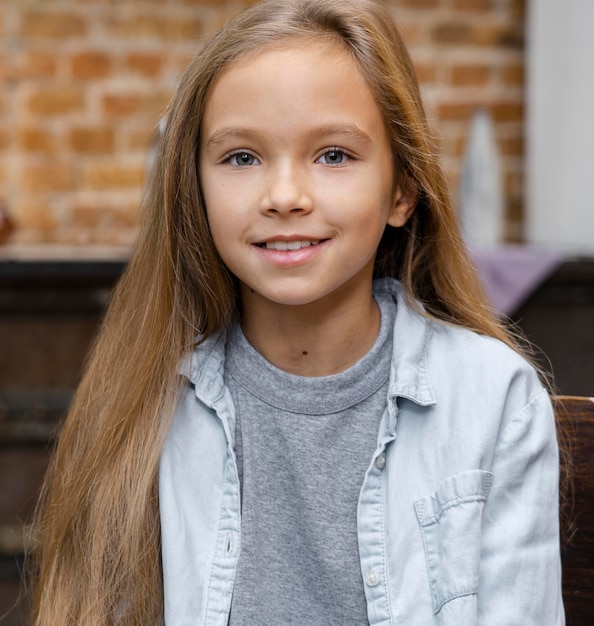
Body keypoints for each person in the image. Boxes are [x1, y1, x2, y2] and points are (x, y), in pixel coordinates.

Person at [28, 0, 564, 624]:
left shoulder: (494, 397)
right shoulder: (141, 403)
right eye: (241, 158)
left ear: (402, 190)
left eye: (333, 155)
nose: (285, 196)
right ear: (194, 189)